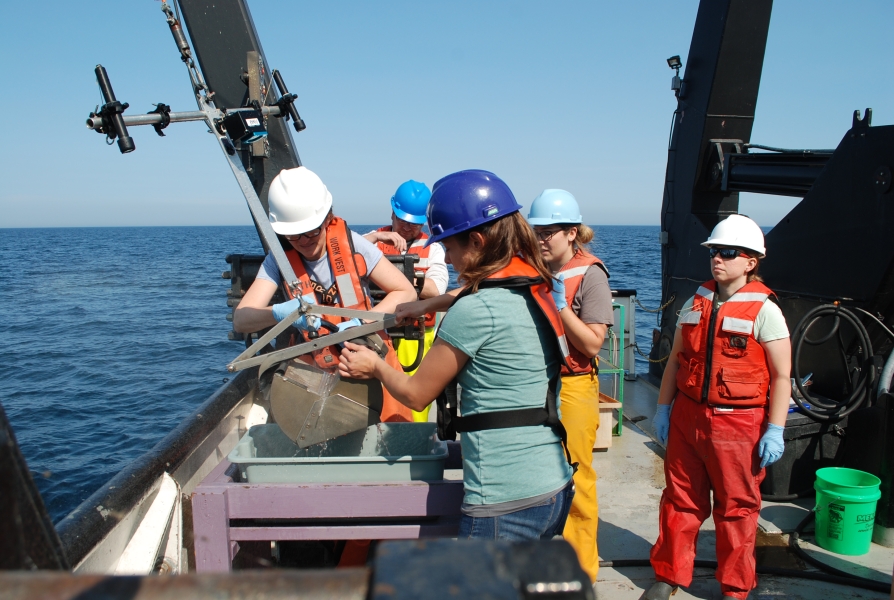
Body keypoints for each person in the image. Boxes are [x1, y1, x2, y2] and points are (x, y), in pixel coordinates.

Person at [338, 169, 575, 541]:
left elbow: (416, 394)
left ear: (477, 240)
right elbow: (487, 291)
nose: (446, 258)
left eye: (449, 246)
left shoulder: (474, 312)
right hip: (554, 484)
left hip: (504, 501)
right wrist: (428, 302)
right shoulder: (535, 282)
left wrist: (376, 366)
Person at [641, 215, 791, 600]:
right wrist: (663, 408)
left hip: (738, 426)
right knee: (679, 500)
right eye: (714, 252)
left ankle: (735, 588)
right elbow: (675, 359)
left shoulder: (765, 311)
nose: (717, 260)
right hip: (688, 418)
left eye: (728, 253)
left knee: (737, 509)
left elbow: (780, 377)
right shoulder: (697, 299)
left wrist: (775, 429)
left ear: (751, 261)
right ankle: (669, 575)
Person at [232, 165, 418, 424]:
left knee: (393, 434)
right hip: (315, 369)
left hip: (367, 355)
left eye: (312, 231)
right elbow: (241, 319)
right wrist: (278, 313)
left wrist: (363, 322)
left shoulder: (353, 244)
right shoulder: (278, 260)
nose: (304, 241)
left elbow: (406, 292)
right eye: (293, 235)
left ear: (327, 218)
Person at [527, 189, 613, 584]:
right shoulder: (532, 268)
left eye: (551, 232)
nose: (542, 238)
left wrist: (560, 306)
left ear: (572, 233)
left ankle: (581, 574)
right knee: (536, 478)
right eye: (537, 230)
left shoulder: (591, 275)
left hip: (574, 387)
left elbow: (593, 343)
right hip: (534, 385)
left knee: (576, 478)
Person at [362, 180, 449, 422]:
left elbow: (437, 289)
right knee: (375, 402)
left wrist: (393, 280)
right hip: (377, 331)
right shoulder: (372, 241)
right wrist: (377, 236)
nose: (408, 228)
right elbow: (342, 250)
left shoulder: (433, 248)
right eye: (403, 221)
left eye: (415, 223)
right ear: (392, 212)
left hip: (417, 335)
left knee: (413, 405)